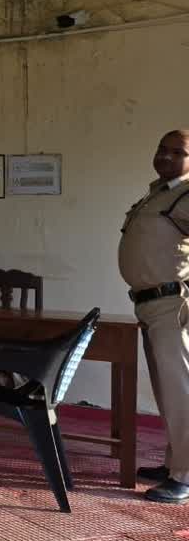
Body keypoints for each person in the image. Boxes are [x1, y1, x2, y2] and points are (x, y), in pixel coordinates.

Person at [118, 129, 189, 505]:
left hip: (172, 305)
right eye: (162, 148)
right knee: (167, 392)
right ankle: (175, 463)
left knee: (182, 392)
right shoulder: (158, 193)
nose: (166, 156)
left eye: (178, 152)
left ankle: (185, 476)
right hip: (148, 304)